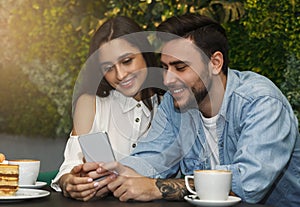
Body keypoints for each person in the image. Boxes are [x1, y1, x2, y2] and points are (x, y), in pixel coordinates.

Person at [94, 14, 300, 206]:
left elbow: (247, 183)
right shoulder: (174, 103)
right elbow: (151, 158)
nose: (167, 80)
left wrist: (159, 189)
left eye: (180, 67)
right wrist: (110, 176)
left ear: (215, 63)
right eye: (165, 67)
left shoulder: (261, 101)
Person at [50, 16, 165, 201]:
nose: (120, 75)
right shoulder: (90, 104)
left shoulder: (171, 105)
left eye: (127, 61)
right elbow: (70, 164)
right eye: (108, 67)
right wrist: (69, 182)